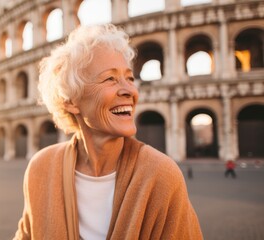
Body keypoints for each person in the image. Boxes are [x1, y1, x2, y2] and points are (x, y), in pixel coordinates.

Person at [14, 24, 202, 239]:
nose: (129, 90)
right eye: (110, 79)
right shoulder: (42, 167)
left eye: (130, 78)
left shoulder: (161, 174)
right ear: (70, 101)